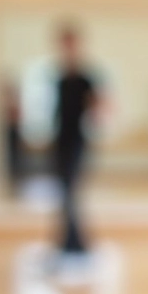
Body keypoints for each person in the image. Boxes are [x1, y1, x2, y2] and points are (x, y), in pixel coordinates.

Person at [52, 22, 99, 259]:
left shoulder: (86, 78)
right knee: (63, 195)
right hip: (60, 140)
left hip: (76, 141)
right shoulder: (59, 76)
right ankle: (67, 243)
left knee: (71, 194)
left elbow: (101, 107)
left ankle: (77, 245)